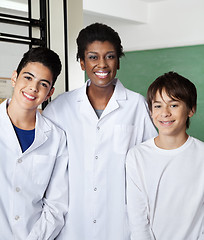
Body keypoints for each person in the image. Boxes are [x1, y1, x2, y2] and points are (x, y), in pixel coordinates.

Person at [43, 23, 157, 240]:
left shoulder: (137, 106)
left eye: (110, 56)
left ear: (118, 62)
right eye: (93, 57)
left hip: (121, 228)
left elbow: (151, 168)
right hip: (71, 229)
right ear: (82, 63)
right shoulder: (60, 108)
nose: (102, 64)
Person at [0, 47, 68, 239]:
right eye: (28, 78)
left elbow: (57, 205)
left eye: (43, 84)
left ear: (49, 93)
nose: (33, 88)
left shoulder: (56, 138)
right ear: (14, 78)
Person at [126, 71, 204, 240]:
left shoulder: (201, 155)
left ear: (191, 109)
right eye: (158, 106)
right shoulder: (137, 156)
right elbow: (138, 220)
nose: (165, 113)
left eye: (174, 105)